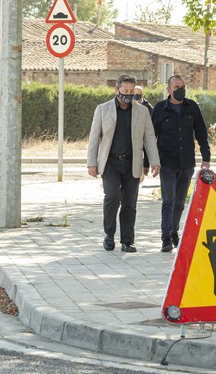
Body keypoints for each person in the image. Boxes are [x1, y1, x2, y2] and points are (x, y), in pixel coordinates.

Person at [87, 75, 161, 253]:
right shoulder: (103, 109)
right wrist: (92, 163)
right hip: (110, 163)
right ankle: (109, 235)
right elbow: (94, 137)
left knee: (129, 203)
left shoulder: (142, 112)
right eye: (125, 91)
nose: (128, 95)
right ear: (117, 90)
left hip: (132, 163)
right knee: (112, 197)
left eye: (131, 92)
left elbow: (149, 137)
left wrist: (154, 161)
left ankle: (127, 241)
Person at [152, 75, 211, 252]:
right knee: (168, 199)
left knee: (179, 201)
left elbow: (201, 133)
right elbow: (150, 137)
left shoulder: (191, 107)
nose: (180, 89)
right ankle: (165, 237)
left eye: (183, 86)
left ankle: (174, 231)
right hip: (166, 161)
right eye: (176, 86)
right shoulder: (160, 109)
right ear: (168, 89)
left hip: (186, 161)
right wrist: (149, 162)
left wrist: (206, 158)